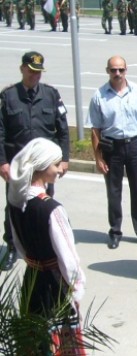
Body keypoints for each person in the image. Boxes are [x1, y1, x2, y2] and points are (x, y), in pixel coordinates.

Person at [0, 51, 69, 271]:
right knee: (15, 204)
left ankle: (42, 245)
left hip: (44, 166)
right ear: (22, 69)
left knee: (42, 206)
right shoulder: (8, 97)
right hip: (18, 165)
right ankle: (12, 246)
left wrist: (65, 159)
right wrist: (2, 162)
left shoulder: (51, 95)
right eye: (31, 71)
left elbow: (63, 130)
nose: (34, 76)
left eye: (38, 72)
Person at [8, 138, 85, 323]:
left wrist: (33, 261)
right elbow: (67, 256)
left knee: (32, 333)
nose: (60, 169)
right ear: (41, 166)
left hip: (31, 278)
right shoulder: (52, 209)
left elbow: (18, 244)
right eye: (56, 164)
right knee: (55, 339)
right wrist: (76, 288)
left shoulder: (15, 201)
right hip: (53, 284)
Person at [87, 56, 137, 250]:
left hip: (135, 145)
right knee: (114, 192)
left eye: (121, 70)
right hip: (111, 148)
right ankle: (115, 231)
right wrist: (98, 158)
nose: (117, 74)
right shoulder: (99, 95)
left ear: (126, 70)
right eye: (113, 70)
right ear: (107, 70)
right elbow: (95, 130)